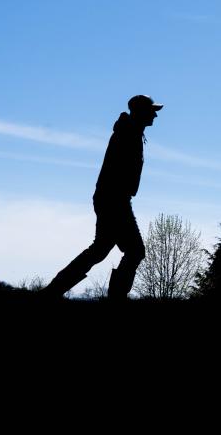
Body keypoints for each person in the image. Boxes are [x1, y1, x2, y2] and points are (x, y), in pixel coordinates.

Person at [40, 95, 163, 300]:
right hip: (114, 200)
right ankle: (115, 298)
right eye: (152, 110)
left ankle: (52, 292)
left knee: (101, 250)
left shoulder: (131, 131)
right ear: (141, 112)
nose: (155, 115)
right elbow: (118, 171)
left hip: (113, 198)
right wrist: (118, 198)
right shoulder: (128, 133)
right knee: (134, 251)